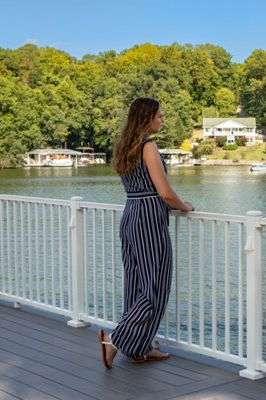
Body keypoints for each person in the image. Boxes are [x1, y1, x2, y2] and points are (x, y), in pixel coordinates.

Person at [98, 97, 194, 369]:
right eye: (159, 116)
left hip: (130, 216)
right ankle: (114, 339)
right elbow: (164, 192)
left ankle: (139, 347)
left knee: (136, 285)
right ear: (147, 118)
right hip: (149, 220)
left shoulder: (124, 146)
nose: (162, 120)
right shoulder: (148, 147)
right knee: (154, 288)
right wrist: (184, 206)